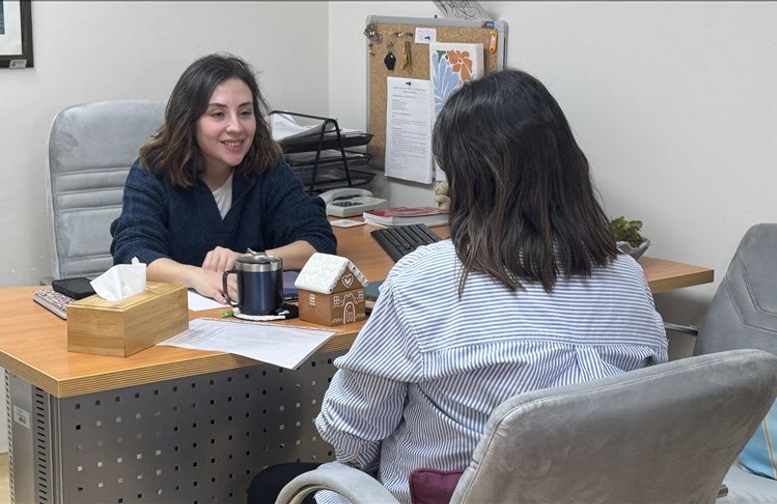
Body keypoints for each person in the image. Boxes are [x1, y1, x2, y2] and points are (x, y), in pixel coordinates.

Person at [247, 69, 667, 503]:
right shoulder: (627, 278)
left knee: (271, 485)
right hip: (582, 492)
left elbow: (352, 432)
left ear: (468, 179)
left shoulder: (427, 278)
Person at [110, 54, 336, 303]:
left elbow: (318, 241)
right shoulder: (153, 170)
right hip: (175, 322)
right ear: (189, 121)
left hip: (249, 320)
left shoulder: (266, 165)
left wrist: (249, 260)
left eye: (245, 113)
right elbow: (133, 254)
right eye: (218, 114)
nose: (236, 127)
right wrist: (200, 277)